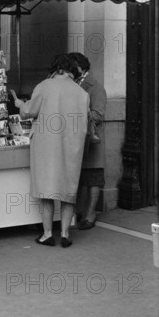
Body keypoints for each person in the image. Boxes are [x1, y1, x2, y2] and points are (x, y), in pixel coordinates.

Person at [11, 54, 89, 248]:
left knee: (47, 190)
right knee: (68, 190)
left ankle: (47, 234)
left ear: (56, 69)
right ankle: (64, 233)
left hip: (46, 146)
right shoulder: (81, 93)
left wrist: (20, 104)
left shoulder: (44, 86)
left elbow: (29, 111)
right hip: (72, 145)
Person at [69, 52, 108, 230]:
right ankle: (78, 212)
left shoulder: (96, 87)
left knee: (93, 178)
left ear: (80, 67)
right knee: (80, 179)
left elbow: (98, 114)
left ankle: (90, 214)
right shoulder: (72, 83)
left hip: (91, 140)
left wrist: (76, 117)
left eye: (72, 66)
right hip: (76, 139)